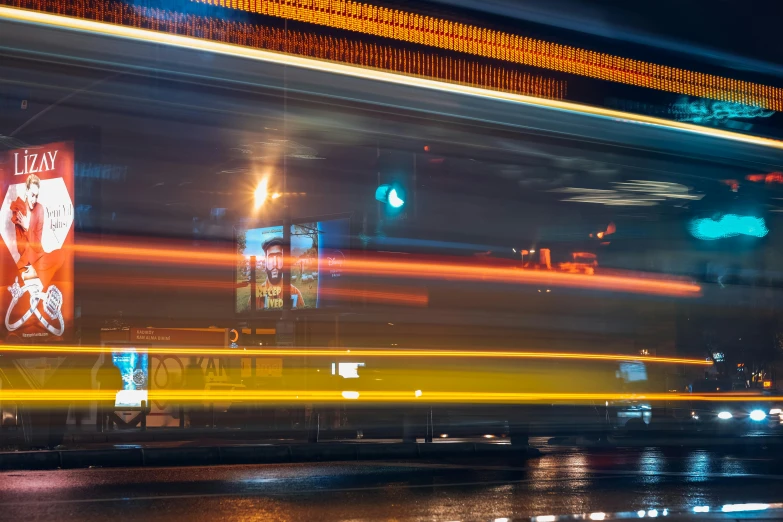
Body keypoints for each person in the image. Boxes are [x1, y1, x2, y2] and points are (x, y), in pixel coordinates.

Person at [10, 173, 64, 288]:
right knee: (20, 269)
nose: (34, 200)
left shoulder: (39, 209)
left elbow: (37, 245)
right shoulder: (19, 210)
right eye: (32, 195)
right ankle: (33, 278)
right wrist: (25, 228)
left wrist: (27, 227)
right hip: (26, 259)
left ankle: (34, 277)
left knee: (61, 254)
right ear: (26, 191)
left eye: (36, 196)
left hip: (39, 256)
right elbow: (21, 249)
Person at [250, 237, 305, 310]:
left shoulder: (295, 292)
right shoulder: (255, 296)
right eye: (270, 258)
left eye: (279, 257)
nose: (275, 264)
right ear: (265, 262)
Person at [95, 358, 123, 432]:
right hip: (112, 392)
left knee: (103, 410)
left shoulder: (102, 368)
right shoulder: (115, 369)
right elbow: (119, 380)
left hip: (104, 391)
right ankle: (110, 426)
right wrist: (118, 388)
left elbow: (97, 378)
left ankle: (103, 426)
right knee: (111, 410)